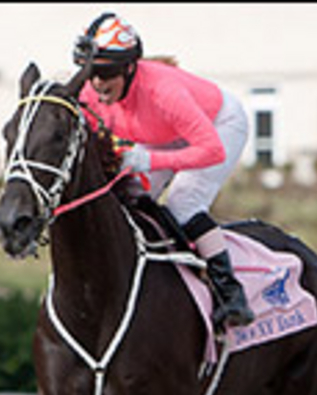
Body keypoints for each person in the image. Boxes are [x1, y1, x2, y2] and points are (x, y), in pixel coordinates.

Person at [73, 12, 254, 328]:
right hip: (164, 134)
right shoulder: (90, 93)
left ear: (130, 68)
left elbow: (211, 150)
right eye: (91, 73)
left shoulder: (163, 93)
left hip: (219, 127)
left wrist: (151, 161)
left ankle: (231, 294)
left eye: (107, 73)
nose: (98, 84)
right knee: (127, 197)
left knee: (183, 203)